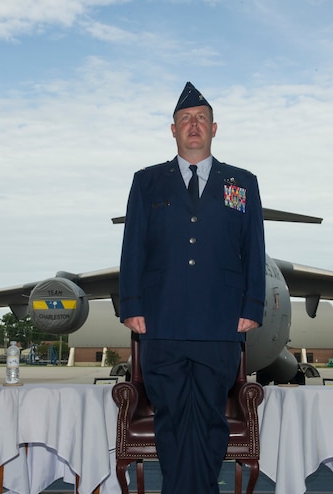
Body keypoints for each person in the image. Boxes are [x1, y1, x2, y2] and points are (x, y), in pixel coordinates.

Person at [119, 82, 266, 494]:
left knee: (209, 420)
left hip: (219, 323)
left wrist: (252, 305)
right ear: (173, 130)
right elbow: (133, 247)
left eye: (201, 118)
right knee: (170, 419)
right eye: (185, 119)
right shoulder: (147, 182)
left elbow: (253, 248)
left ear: (215, 128)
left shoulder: (242, 183)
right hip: (160, 323)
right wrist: (131, 303)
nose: (194, 124)